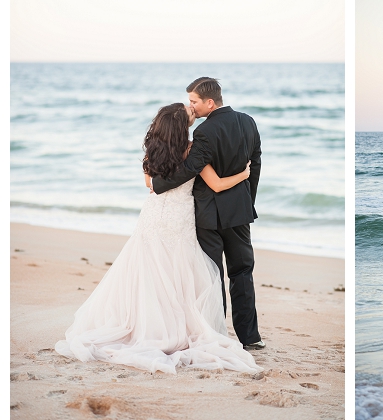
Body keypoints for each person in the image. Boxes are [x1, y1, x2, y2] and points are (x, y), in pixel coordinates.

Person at [55, 103, 260, 375]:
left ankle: (145, 324)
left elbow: (150, 185)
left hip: (152, 217)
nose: (193, 111)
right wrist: (244, 175)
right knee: (180, 273)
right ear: (183, 127)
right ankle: (191, 327)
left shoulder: (151, 150)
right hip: (179, 218)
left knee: (148, 271)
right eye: (189, 113)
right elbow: (217, 185)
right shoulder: (191, 151)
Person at [152, 78, 264, 351]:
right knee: (242, 272)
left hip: (209, 215)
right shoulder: (248, 122)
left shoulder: (205, 132)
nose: (191, 106)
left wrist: (158, 184)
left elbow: (190, 168)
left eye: (194, 101)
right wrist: (247, 200)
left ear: (209, 102)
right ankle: (251, 338)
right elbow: (256, 162)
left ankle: (217, 334)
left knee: (212, 275)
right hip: (239, 211)